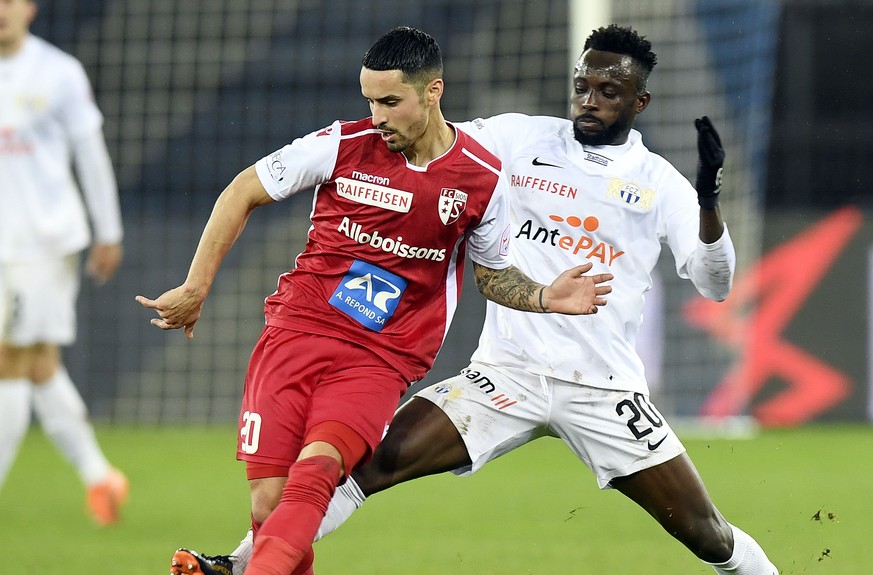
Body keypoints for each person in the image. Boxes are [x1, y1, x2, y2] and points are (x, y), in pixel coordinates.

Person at [175, 24, 779, 575]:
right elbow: (433, 145)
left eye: (608, 90)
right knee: (367, 464)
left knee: (708, 537)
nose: (589, 99)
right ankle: (239, 564)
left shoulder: (660, 183)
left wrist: (708, 205)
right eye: (582, 86)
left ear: (639, 102)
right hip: (504, 376)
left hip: (602, 385)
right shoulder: (517, 138)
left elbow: (714, 282)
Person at [137, 26, 612, 575]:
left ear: (433, 92)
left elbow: (493, 275)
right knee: (270, 510)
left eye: (390, 101)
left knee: (316, 476)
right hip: (294, 333)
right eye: (370, 100)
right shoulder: (341, 144)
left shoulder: (482, 179)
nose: (378, 115)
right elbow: (244, 188)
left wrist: (544, 295)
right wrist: (196, 287)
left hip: (378, 358)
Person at [0, 0, 128, 526]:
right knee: (38, 364)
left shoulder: (58, 72)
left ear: (29, 8)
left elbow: (89, 152)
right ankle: (100, 476)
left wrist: (109, 230)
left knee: (10, 361)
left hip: (44, 244)